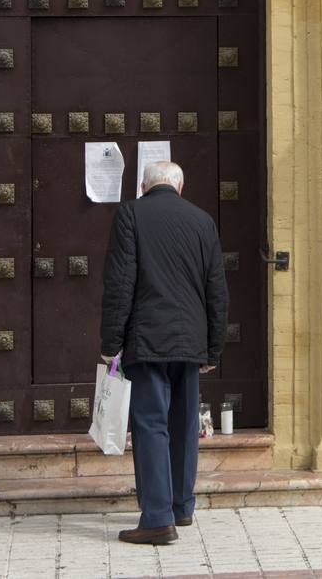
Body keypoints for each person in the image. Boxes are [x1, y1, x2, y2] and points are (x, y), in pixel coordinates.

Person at [99, 160, 228, 545]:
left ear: (143, 186)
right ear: (180, 188)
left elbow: (121, 283)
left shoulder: (131, 215)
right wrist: (214, 348)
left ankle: (156, 519)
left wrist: (110, 344)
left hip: (149, 341)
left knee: (151, 424)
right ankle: (180, 506)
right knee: (184, 423)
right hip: (190, 342)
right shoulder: (203, 221)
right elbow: (216, 290)